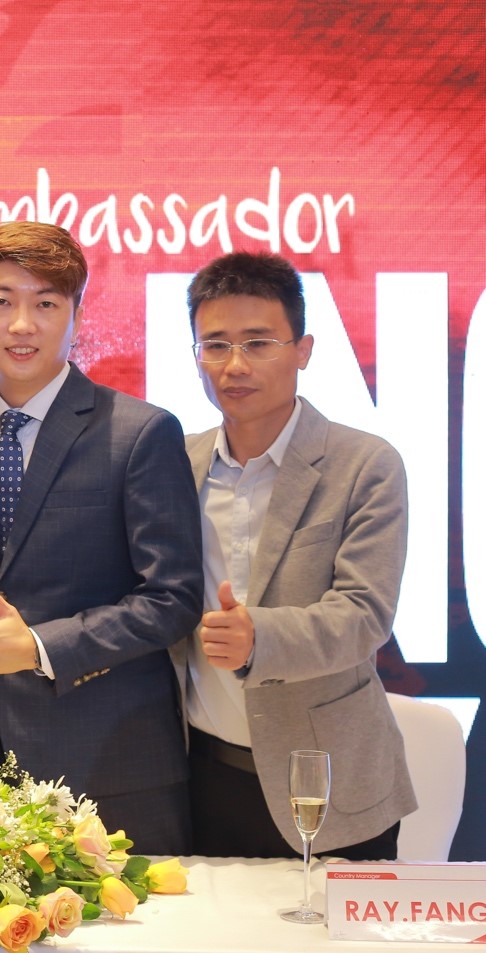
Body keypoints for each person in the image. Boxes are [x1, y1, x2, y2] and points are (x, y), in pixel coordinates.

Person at [0, 221, 201, 856]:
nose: (22, 325)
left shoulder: (139, 433)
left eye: (46, 304)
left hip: (111, 765)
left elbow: (172, 599)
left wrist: (41, 646)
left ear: (77, 317)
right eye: (2, 301)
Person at [176, 251, 415, 859]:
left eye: (259, 343)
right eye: (216, 345)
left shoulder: (365, 464)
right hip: (200, 776)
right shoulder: (176, 462)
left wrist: (258, 637)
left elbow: (364, 615)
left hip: (326, 780)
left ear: (303, 350)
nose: (235, 365)